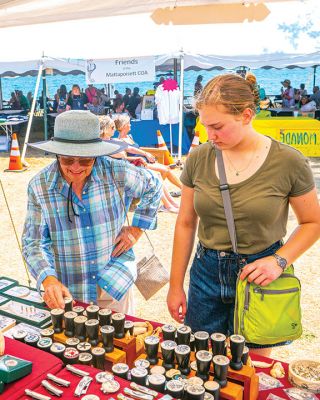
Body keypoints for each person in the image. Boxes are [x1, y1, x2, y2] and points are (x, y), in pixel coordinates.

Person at [167, 73, 320, 356]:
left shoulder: (288, 161)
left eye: (217, 127)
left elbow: (313, 222)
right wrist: (175, 286)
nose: (209, 135)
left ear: (246, 115)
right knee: (201, 364)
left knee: (254, 370)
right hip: (207, 273)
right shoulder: (200, 158)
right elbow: (186, 223)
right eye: (204, 126)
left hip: (262, 273)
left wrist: (279, 261)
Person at [22, 110, 162, 314]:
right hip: (68, 290)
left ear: (96, 154)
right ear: (57, 154)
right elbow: (32, 242)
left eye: (86, 160)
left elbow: (154, 184)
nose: (76, 167)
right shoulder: (39, 186)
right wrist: (48, 278)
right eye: (68, 160)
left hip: (114, 284)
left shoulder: (117, 171)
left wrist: (137, 228)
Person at [99, 116, 179, 213]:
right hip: (120, 173)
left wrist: (144, 154)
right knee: (155, 176)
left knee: (157, 175)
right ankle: (168, 205)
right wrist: (138, 157)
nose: (114, 129)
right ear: (105, 129)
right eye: (112, 127)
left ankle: (170, 204)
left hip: (127, 169)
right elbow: (121, 155)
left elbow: (128, 149)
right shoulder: (103, 143)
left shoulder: (113, 141)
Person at [114, 114, 182, 191]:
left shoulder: (129, 136)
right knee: (165, 170)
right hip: (138, 165)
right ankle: (155, 190)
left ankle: (182, 189)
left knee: (167, 169)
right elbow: (125, 158)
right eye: (128, 123)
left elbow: (137, 149)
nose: (130, 125)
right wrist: (144, 156)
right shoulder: (120, 141)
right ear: (124, 126)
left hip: (145, 162)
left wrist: (148, 155)